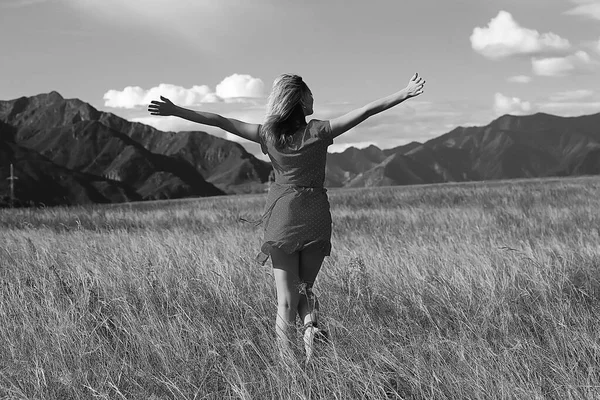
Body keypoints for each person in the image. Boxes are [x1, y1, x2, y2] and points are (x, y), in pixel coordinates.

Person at [148, 73, 426, 363]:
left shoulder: (268, 135)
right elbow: (366, 110)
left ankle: (290, 373)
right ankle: (310, 327)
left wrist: (176, 111)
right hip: (316, 217)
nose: (313, 98)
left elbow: (220, 120)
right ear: (299, 100)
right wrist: (403, 93)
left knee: (286, 301)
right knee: (305, 288)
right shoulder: (320, 132)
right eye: (310, 94)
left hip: (283, 218)